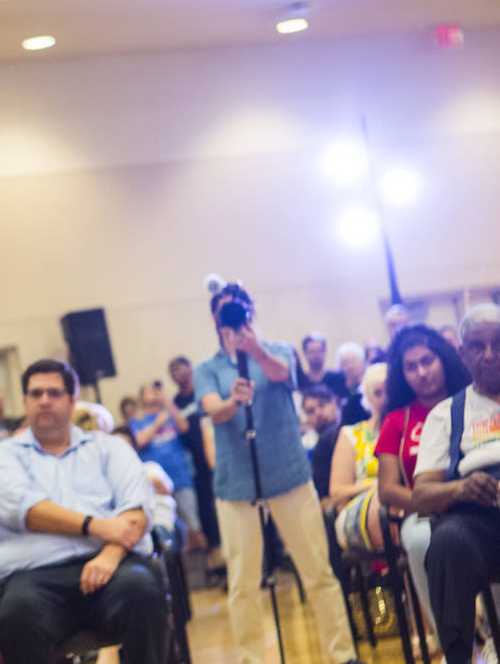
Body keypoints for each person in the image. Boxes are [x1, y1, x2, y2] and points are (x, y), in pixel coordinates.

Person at [192, 284, 361, 664]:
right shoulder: (206, 368)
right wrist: (232, 400)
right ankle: (252, 659)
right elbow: (213, 410)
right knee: (243, 585)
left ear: (251, 311)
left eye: (239, 308)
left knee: (318, 571)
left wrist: (253, 349)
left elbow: (285, 374)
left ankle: (342, 655)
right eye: (224, 311)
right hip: (236, 485)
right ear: (214, 319)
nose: (233, 317)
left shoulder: (279, 350)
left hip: (288, 475)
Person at [0, 359, 169, 664]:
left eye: (54, 393)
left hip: (113, 567)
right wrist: (98, 526)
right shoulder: (2, 458)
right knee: (17, 613)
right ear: (25, 401)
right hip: (34, 578)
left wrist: (111, 553)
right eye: (35, 393)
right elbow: (27, 511)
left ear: (71, 400)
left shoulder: (109, 448)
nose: (44, 400)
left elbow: (137, 510)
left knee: (144, 591)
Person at [411, 305, 500, 664]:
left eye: (498, 343)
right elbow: (421, 495)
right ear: (463, 354)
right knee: (447, 542)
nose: (491, 355)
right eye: (478, 346)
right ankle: (461, 657)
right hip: (480, 522)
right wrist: (460, 489)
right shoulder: (446, 414)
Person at [374, 323, 471, 645]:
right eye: (410, 367)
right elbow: (387, 490)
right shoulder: (396, 421)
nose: (421, 372)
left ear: (443, 359)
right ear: (402, 374)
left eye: (427, 361)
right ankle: (455, 644)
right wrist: (437, 499)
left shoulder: (473, 402)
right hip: (422, 513)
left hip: (478, 502)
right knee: (418, 542)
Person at [129, 382, 205, 550]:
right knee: (169, 531)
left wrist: (167, 401)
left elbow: (184, 426)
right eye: (150, 391)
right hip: (156, 485)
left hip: (181, 478)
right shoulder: (137, 422)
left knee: (194, 527)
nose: (154, 394)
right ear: (142, 397)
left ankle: (208, 571)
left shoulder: (170, 415)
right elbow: (139, 441)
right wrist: (157, 423)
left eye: (157, 391)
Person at [329, 363, 388, 550]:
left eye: (389, 392)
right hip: (361, 511)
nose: (385, 399)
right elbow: (337, 493)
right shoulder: (351, 435)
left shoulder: (407, 428)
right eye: (378, 393)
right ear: (368, 398)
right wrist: (376, 486)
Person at [169, 356, 222, 564]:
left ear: (189, 368)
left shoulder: (204, 392)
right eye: (171, 371)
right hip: (196, 467)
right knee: (207, 515)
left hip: (217, 458)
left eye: (178, 368)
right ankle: (218, 562)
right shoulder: (175, 402)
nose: (175, 374)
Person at [302, 385, 342, 507]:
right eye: (311, 411)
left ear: (334, 402)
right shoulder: (305, 446)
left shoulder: (353, 427)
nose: (318, 413)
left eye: (322, 405)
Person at [297, 333, 347, 398]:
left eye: (319, 351)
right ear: (305, 353)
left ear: (325, 352)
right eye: (312, 351)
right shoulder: (301, 381)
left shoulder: (338, 378)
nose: (316, 355)